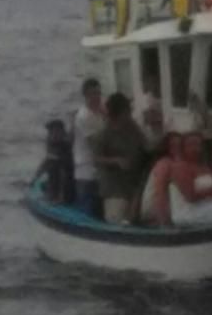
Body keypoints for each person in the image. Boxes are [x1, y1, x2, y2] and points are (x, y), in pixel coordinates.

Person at [94, 93, 147, 223]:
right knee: (117, 221)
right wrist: (116, 160)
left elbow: (147, 145)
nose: (130, 112)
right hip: (114, 190)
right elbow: (96, 159)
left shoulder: (133, 128)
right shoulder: (103, 134)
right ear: (121, 112)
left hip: (135, 187)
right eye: (128, 110)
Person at [167, 132, 212, 226]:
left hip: (209, 208)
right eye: (191, 145)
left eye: (198, 144)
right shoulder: (180, 167)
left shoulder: (204, 168)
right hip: (189, 213)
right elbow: (190, 196)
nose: (195, 148)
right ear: (183, 148)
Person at [71, 78, 105, 217]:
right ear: (85, 96)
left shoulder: (99, 113)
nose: (96, 97)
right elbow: (95, 144)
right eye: (92, 94)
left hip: (98, 171)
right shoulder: (83, 116)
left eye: (98, 93)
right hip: (86, 172)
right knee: (87, 215)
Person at [32, 119, 74, 204]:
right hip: (54, 181)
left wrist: (61, 197)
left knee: (59, 169)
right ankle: (51, 193)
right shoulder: (51, 143)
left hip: (66, 185)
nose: (51, 135)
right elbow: (46, 162)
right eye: (50, 132)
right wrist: (35, 178)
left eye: (54, 131)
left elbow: (64, 173)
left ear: (61, 132)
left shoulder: (66, 145)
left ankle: (57, 196)